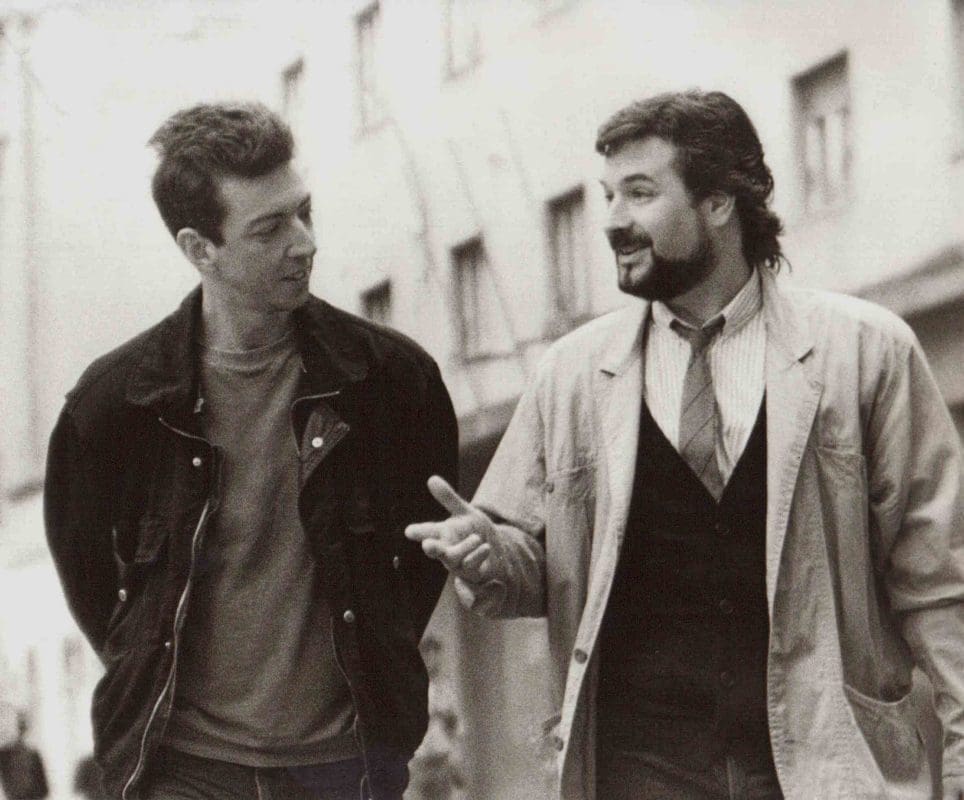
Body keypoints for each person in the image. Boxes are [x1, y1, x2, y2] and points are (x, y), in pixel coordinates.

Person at [406, 89, 964, 799]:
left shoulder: (866, 353)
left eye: (640, 194)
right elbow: (529, 561)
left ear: (719, 203)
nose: (613, 221)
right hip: (636, 772)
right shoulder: (570, 376)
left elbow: (940, 583)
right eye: (608, 196)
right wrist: (491, 555)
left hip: (819, 768)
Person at [44, 101, 458, 800]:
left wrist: (373, 671)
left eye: (304, 213)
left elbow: (419, 562)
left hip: (343, 764)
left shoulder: (390, 382)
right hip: (182, 767)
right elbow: (95, 586)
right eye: (269, 229)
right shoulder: (117, 406)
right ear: (199, 249)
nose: (304, 243)